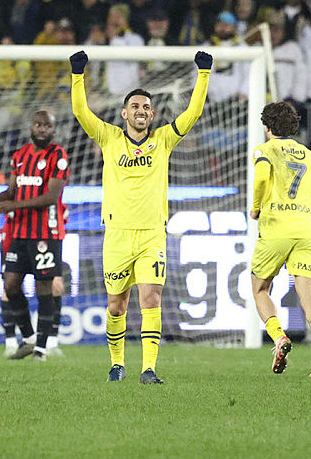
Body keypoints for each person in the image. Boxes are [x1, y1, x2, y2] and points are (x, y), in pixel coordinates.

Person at [69, 49, 212, 384]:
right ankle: (117, 364)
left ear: (153, 113)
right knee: (117, 304)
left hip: (151, 234)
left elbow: (192, 112)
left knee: (151, 298)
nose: (141, 111)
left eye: (146, 107)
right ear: (124, 113)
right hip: (117, 234)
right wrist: (78, 75)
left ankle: (149, 368)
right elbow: (79, 110)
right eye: (135, 106)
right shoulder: (108, 137)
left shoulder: (163, 140)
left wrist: (203, 74)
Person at [249, 101, 311, 377]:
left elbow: (261, 178)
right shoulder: (310, 156)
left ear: (267, 127)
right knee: (309, 296)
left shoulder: (264, 149)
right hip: (305, 230)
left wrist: (257, 205)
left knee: (260, 289)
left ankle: (279, 338)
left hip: (275, 228)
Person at [0, 110, 69, 362]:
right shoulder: (20, 156)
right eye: (38, 124)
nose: (42, 129)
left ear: (53, 130)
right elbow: (12, 191)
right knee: (10, 284)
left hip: (45, 233)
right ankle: (28, 338)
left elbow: (51, 197)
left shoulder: (58, 155)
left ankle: (41, 348)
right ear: (31, 127)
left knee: (44, 286)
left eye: (47, 126)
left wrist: (13, 206)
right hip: (20, 231)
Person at [0, 187, 68, 359]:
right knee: (9, 288)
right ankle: (13, 342)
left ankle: (49, 343)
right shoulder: (16, 202)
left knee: (54, 286)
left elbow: (61, 220)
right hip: (14, 243)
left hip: (43, 241)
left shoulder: (55, 207)